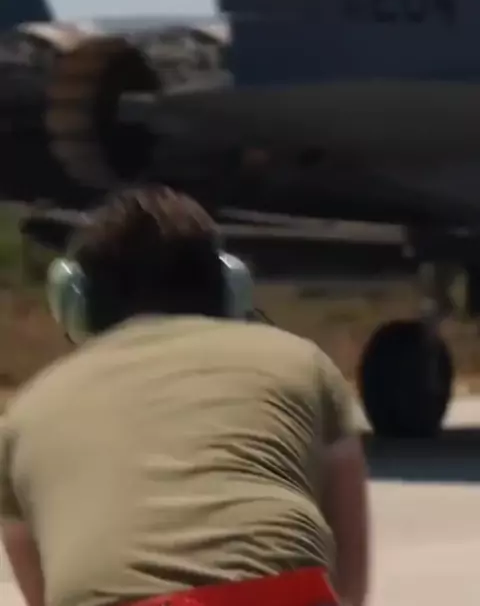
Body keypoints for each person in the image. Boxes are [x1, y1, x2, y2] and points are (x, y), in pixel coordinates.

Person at [0, 186, 369, 606]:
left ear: (73, 300)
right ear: (230, 285)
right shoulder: (302, 363)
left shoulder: (26, 414)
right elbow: (349, 584)